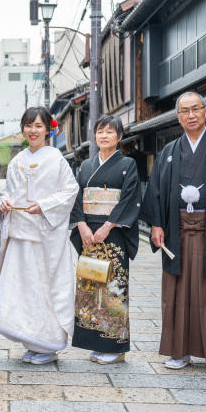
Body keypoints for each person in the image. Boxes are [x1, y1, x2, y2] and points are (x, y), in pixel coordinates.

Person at [140, 91, 206, 374]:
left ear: (205, 111)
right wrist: (156, 225)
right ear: (178, 117)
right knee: (178, 292)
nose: (191, 115)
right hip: (176, 233)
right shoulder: (168, 152)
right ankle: (179, 352)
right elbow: (156, 190)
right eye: (184, 111)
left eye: (196, 109)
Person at [0, 107, 79, 364]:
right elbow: (7, 192)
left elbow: (70, 191)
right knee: (22, 288)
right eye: (28, 125)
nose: (33, 131)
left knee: (43, 288)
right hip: (19, 235)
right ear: (23, 128)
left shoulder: (56, 159)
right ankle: (31, 341)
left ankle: (48, 343)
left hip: (44, 236)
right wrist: (4, 202)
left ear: (48, 129)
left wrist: (45, 206)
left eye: (39, 126)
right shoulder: (17, 161)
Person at [69, 115, 142, 365]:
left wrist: (108, 226)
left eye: (110, 132)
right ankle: (96, 343)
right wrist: (81, 226)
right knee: (90, 288)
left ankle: (115, 347)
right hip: (88, 235)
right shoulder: (86, 166)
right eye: (100, 131)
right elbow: (76, 197)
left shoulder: (128, 164)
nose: (104, 136)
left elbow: (130, 197)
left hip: (114, 234)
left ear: (119, 137)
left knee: (113, 288)